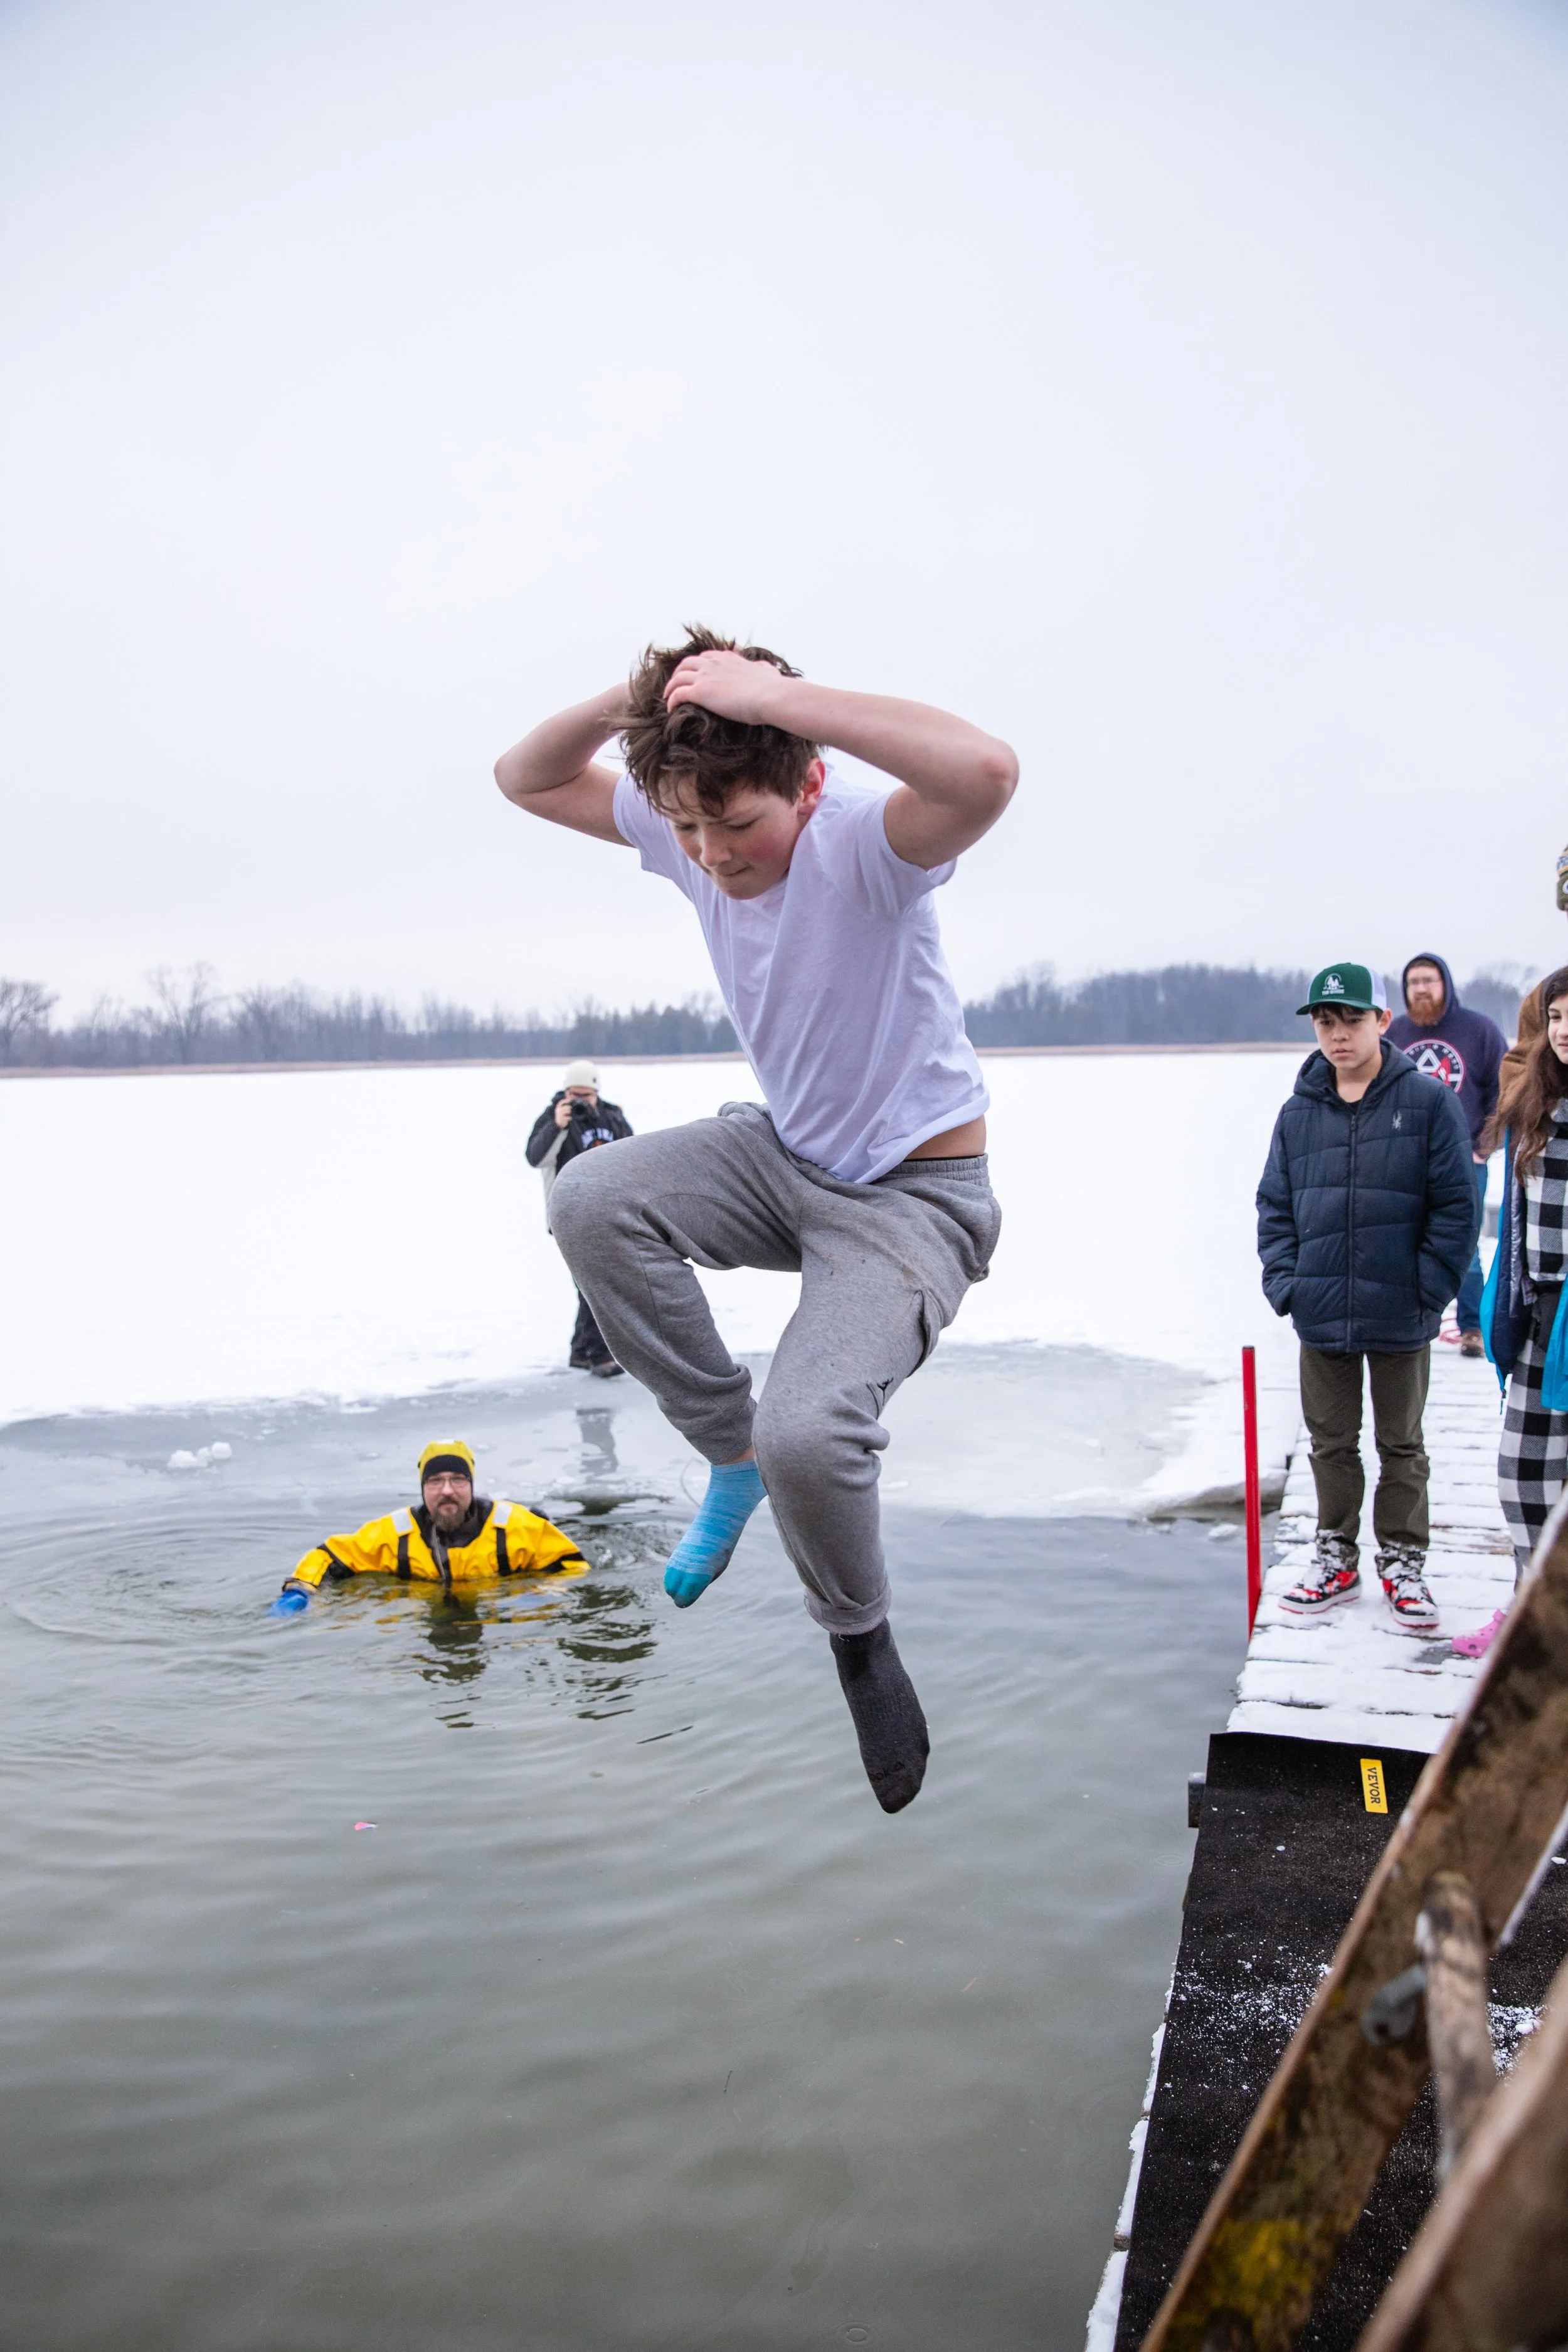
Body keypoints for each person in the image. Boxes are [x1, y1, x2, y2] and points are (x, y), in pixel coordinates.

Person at [493, 627, 1015, 1812]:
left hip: (913, 1201)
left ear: (809, 780)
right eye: (687, 828)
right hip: (783, 1159)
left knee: (811, 1432)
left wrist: (785, 697)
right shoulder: (685, 834)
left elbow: (986, 772)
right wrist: (642, 702)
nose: (712, 855)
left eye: (735, 825)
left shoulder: (866, 848)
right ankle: (729, 1455)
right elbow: (525, 777)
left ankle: (860, 1641)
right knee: (590, 1196)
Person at [1256, 962, 1480, 1631]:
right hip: (1321, 1306)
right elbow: (1274, 1208)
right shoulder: (1298, 1113)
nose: (1338, 1034)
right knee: (1331, 1444)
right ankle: (1336, 1557)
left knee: (1401, 1444)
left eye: (1351, 1019)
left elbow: (1456, 1209)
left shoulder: (1428, 1104)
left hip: (1401, 1306)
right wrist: (1288, 1284)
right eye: (1326, 1022)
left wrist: (1429, 1289)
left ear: (1383, 1021)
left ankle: (1403, 1562)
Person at [268, 1441, 586, 1613]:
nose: (447, 1490)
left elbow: (574, 1567)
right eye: (435, 1481)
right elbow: (330, 1556)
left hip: (496, 1629)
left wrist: (543, 1595)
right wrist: (300, 1590)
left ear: (472, 1485)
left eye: (458, 1480)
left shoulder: (518, 1527)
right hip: (426, 1619)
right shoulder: (395, 1534)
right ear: (423, 1489)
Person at [1481, 964, 1568, 1580]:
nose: (1563, 1030)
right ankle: (1531, 1605)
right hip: (1541, 1310)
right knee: (1523, 1477)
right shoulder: (1534, 1099)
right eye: (1555, 1017)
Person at [1386, 955, 1507, 1356]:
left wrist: (1484, 1146)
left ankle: (1473, 1327)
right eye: (1413, 982)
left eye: (1429, 980)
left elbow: (1506, 1092)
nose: (1421, 989)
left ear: (1446, 985)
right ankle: (1408, 1321)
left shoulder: (1479, 1031)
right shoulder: (1395, 1034)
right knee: (1401, 1240)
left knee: (1464, 1247)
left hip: (1464, 1160)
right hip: (1405, 1159)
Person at [526, 1060, 633, 1375]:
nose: (580, 1101)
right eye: (574, 1094)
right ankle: (600, 1357)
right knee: (595, 1284)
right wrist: (557, 1126)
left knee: (593, 1284)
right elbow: (535, 1158)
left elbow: (632, 1154)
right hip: (569, 1213)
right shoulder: (553, 1117)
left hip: (608, 1212)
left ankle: (581, 1353)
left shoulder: (612, 1117)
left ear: (596, 1092)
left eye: (586, 1095)